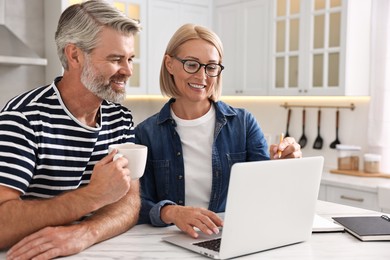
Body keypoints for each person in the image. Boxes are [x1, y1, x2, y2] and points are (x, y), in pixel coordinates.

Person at [0, 1, 142, 259]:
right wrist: (91, 197)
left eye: (130, 59)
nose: (128, 71)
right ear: (75, 55)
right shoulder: (23, 118)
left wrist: (86, 233)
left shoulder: (119, 117)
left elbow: (129, 201)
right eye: (115, 59)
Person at [135, 23, 302, 238]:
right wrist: (172, 212)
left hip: (230, 237)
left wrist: (284, 167)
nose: (202, 76)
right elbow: (137, 204)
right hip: (169, 240)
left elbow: (266, 194)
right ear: (169, 64)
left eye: (211, 67)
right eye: (191, 64)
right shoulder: (145, 133)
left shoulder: (243, 124)